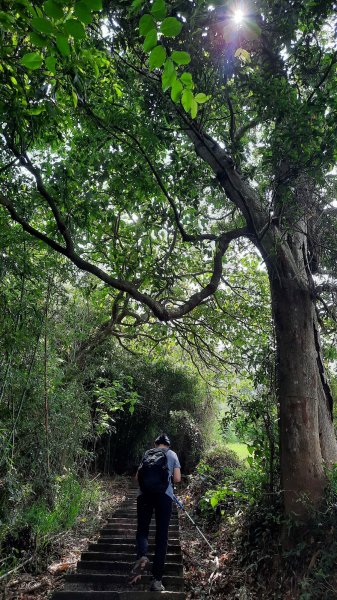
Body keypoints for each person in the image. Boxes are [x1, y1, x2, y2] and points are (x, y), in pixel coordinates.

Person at [128, 433, 181, 592]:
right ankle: (157, 581)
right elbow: (177, 478)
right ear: (168, 445)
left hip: (144, 496)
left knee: (143, 530)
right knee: (161, 537)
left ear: (156, 444)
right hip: (164, 496)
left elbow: (138, 477)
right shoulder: (172, 455)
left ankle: (142, 555)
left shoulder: (147, 454)